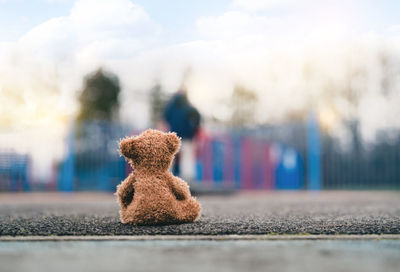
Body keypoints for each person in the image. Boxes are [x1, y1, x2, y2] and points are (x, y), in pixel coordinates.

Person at [163, 88, 200, 180]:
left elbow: (165, 119)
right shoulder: (189, 106)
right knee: (187, 159)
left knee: (170, 158)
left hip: (173, 136)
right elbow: (198, 117)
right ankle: (187, 179)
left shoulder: (171, 107)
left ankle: (166, 177)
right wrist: (194, 129)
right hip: (187, 136)